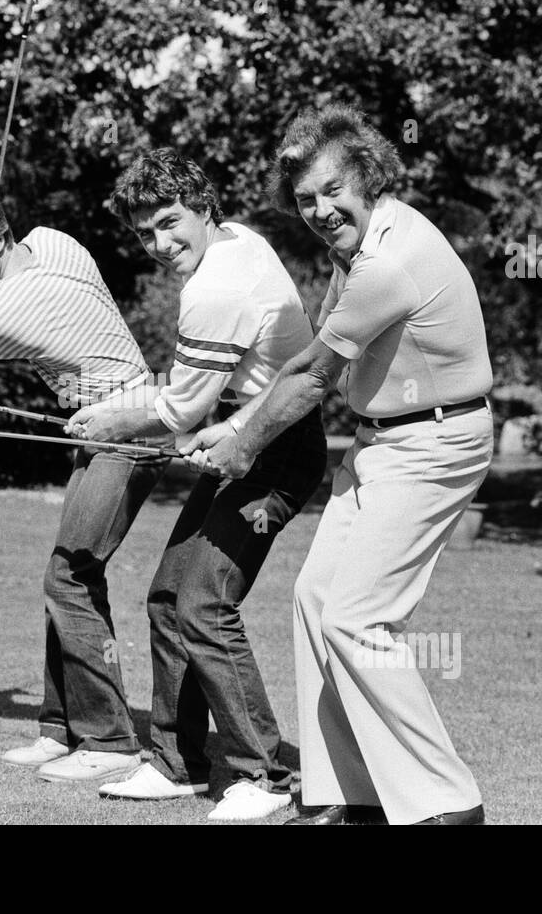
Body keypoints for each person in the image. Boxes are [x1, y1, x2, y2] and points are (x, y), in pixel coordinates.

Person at [184, 104, 493, 825]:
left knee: (360, 618)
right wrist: (230, 423)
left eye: (332, 190)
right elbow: (310, 358)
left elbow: (318, 376)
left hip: (436, 443)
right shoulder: (354, 252)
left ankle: (448, 804)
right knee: (317, 599)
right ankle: (350, 794)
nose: (320, 210)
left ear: (370, 177)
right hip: (384, 441)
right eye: (305, 199)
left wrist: (242, 447)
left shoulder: (388, 262)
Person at [66, 150, 327, 821]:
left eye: (169, 221)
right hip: (253, 432)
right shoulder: (238, 239)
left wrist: (110, 420)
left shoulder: (213, 289)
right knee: (167, 596)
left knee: (205, 603)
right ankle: (176, 762)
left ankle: (262, 776)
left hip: (279, 451)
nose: (159, 243)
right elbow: (206, 402)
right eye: (144, 232)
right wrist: (224, 424)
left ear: (204, 207)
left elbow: (178, 410)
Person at [0, 186, 166, 784]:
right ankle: (63, 728)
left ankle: (108, 739)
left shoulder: (0, 314)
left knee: (69, 577)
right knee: (69, 573)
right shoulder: (57, 242)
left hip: (128, 431)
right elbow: (22, 257)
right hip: (114, 417)